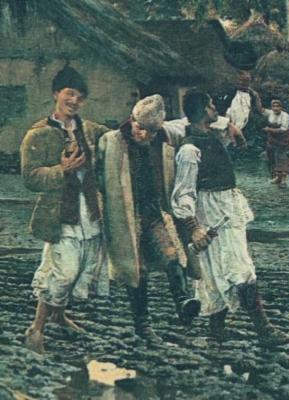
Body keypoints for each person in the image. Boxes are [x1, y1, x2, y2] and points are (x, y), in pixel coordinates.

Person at [171, 90, 289, 346]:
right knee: (237, 268)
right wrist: (194, 227)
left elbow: (228, 120)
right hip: (210, 212)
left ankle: (216, 330)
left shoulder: (210, 135)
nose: (215, 108)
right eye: (211, 104)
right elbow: (183, 192)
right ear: (202, 111)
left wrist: (231, 125)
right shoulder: (189, 149)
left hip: (227, 207)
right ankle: (264, 330)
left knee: (220, 269)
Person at [96, 94, 200, 344]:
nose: (145, 135)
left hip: (154, 213)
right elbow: (97, 180)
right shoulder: (111, 142)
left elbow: (189, 125)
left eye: (152, 131)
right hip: (125, 216)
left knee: (172, 254)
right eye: (140, 128)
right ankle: (142, 325)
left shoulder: (166, 137)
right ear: (132, 121)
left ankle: (183, 301)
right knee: (137, 269)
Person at [21, 65, 110, 353]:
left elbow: (117, 137)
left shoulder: (90, 129)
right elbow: (30, 178)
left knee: (81, 267)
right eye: (69, 93)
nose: (74, 100)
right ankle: (36, 329)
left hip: (88, 210)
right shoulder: (38, 134)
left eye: (80, 96)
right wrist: (62, 170)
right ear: (56, 94)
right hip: (59, 214)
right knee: (64, 273)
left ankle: (58, 316)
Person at [259, 99, 289, 188]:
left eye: (277, 106)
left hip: (284, 138)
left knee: (283, 157)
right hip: (273, 139)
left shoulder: (285, 116)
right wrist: (256, 97)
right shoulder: (270, 113)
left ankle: (284, 179)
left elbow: (283, 129)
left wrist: (269, 129)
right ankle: (278, 177)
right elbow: (260, 109)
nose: (275, 108)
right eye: (274, 106)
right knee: (272, 156)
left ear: (281, 107)